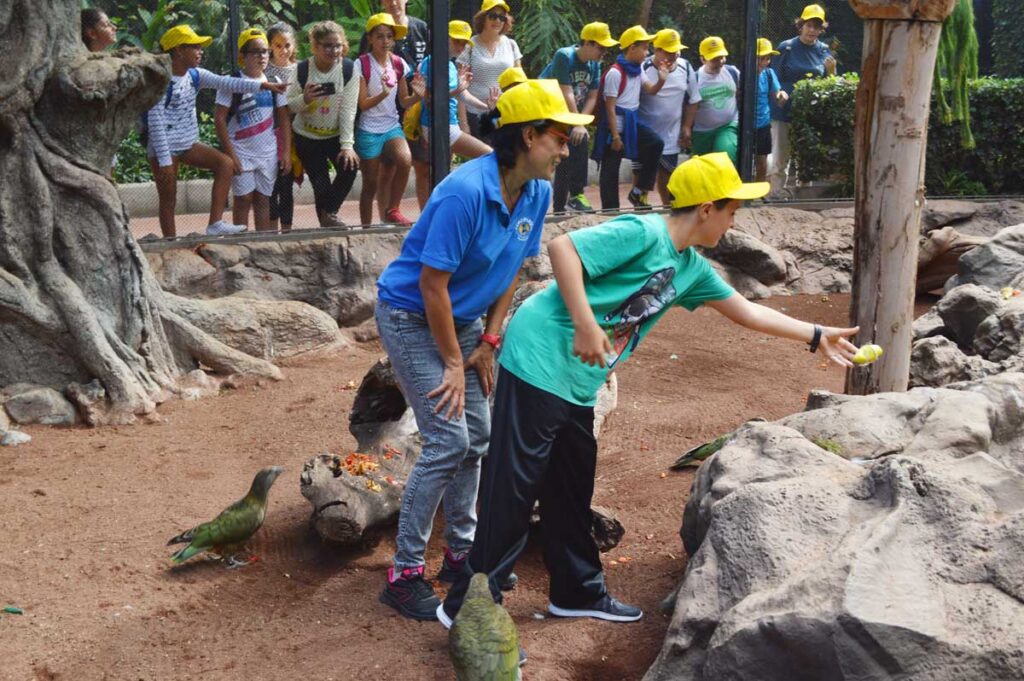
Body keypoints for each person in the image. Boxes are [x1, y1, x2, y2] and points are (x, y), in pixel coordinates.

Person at [437, 152, 859, 649]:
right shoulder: (645, 233)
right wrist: (589, 324)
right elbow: (563, 248)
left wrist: (815, 334)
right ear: (706, 208)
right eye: (731, 210)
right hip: (538, 357)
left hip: (576, 380)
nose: (733, 220)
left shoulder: (690, 269)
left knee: (571, 486)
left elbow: (745, 312)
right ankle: (468, 608)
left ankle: (575, 591)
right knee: (513, 489)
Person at [375, 79, 592, 622]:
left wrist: (490, 340)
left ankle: (461, 554)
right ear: (527, 135)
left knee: (481, 437)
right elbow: (430, 287)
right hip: (412, 317)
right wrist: (453, 360)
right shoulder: (465, 192)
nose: (567, 150)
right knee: (448, 440)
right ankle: (403, 575)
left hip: (466, 320)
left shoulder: (537, 191)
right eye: (559, 138)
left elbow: (511, 267)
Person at [145, 25, 287, 237]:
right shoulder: (159, 81)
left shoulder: (196, 75)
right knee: (169, 198)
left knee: (225, 164)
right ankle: (171, 240)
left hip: (187, 144)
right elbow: (154, 123)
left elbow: (227, 82)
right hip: (163, 148)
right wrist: (164, 161)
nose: (200, 51)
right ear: (178, 50)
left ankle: (215, 223)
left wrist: (263, 87)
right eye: (195, 47)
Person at [358, 0, 431, 231]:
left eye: (389, 37)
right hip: (368, 128)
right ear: (370, 39)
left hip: (392, 126)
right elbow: (362, 104)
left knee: (405, 160)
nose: (385, 41)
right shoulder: (362, 64)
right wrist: (382, 94)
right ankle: (367, 228)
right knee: (370, 183)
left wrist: (418, 96)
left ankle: (393, 209)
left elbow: (403, 100)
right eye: (379, 36)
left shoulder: (399, 64)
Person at [213, 29, 292, 232]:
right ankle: (241, 241)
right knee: (243, 198)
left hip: (267, 152)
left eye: (265, 51)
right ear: (243, 55)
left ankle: (261, 243)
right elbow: (219, 119)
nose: (262, 56)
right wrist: (231, 156)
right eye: (255, 51)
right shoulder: (230, 82)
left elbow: (283, 118)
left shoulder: (274, 82)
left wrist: (286, 153)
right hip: (240, 150)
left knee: (263, 199)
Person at [410, 21, 493, 209]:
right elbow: (429, 99)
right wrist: (458, 90)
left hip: (449, 124)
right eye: (456, 41)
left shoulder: (450, 65)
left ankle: (438, 213)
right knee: (489, 156)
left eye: (464, 43)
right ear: (444, 38)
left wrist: (486, 105)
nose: (460, 47)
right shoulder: (430, 63)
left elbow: (462, 94)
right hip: (436, 125)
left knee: (441, 172)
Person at [286, 21, 360, 228]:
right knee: (321, 183)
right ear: (315, 46)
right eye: (327, 45)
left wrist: (347, 145)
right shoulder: (301, 69)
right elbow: (288, 106)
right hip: (307, 137)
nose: (333, 50)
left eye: (337, 45)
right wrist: (305, 99)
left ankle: (329, 216)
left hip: (335, 136)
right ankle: (328, 223)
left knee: (350, 167)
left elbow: (348, 109)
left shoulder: (348, 69)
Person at [542, 21, 618, 214]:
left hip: (569, 114)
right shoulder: (564, 56)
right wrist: (577, 123)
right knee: (564, 153)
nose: (603, 52)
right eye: (601, 47)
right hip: (549, 110)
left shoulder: (594, 64)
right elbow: (566, 92)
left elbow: (592, 96)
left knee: (576, 144)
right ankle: (569, 199)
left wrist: (581, 124)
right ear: (587, 43)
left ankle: (568, 202)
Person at [592, 25, 668, 211]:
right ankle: (610, 211)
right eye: (644, 47)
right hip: (615, 124)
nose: (647, 52)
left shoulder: (638, 68)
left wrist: (662, 79)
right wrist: (616, 136)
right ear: (632, 48)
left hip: (632, 122)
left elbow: (651, 90)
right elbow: (609, 107)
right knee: (611, 169)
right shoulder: (615, 73)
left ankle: (639, 190)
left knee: (655, 143)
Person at [770, 3, 836, 195]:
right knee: (781, 157)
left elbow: (829, 84)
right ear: (801, 25)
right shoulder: (787, 47)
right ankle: (776, 194)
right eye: (809, 25)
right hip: (784, 111)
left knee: (806, 156)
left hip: (809, 113)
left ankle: (803, 196)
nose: (812, 30)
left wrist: (832, 71)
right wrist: (779, 93)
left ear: (821, 29)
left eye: (817, 27)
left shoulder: (824, 50)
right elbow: (774, 76)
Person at [637, 28, 701, 206]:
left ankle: (669, 211)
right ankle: (639, 211)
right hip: (646, 135)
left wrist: (687, 126)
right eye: (668, 51)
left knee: (667, 178)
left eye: (676, 51)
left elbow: (693, 100)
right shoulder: (643, 68)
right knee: (641, 178)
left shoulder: (686, 67)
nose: (673, 55)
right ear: (657, 50)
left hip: (671, 135)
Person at [456, 0, 522, 142]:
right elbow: (460, 87)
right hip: (477, 115)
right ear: (483, 18)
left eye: (502, 17)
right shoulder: (469, 46)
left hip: (506, 114)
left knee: (505, 158)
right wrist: (463, 123)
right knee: (485, 157)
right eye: (493, 16)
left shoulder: (511, 45)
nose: (498, 21)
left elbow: (520, 83)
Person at [265, 22, 300, 232]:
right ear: (270, 46)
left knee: (286, 184)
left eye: (287, 45)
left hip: (294, 135)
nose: (283, 50)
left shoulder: (299, 69)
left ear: (294, 46)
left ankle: (286, 231)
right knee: (271, 185)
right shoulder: (264, 69)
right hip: (269, 134)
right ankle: (270, 229)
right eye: (278, 45)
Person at [692, 36, 741, 167]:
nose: (720, 62)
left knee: (725, 158)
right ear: (703, 59)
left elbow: (742, 93)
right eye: (715, 59)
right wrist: (685, 128)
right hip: (702, 131)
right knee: (703, 168)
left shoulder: (732, 72)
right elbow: (689, 107)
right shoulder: (695, 79)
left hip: (728, 125)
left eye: (722, 57)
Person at [754, 38, 787, 184]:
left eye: (768, 58)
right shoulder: (742, 73)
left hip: (763, 123)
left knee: (762, 162)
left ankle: (758, 193)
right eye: (762, 58)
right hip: (744, 125)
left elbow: (777, 95)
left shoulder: (769, 73)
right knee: (742, 161)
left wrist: (782, 96)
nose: (765, 62)